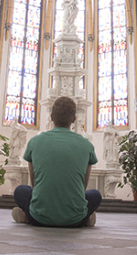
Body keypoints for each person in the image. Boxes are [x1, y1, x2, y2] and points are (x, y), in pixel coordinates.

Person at [12, 96, 101, 227]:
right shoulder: (87, 145)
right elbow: (83, 188)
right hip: (75, 219)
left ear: (51, 117)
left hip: (40, 217)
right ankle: (85, 218)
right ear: (75, 119)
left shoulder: (34, 142)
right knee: (95, 195)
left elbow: (34, 184)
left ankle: (27, 217)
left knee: (20, 191)